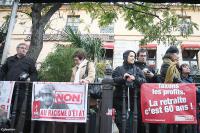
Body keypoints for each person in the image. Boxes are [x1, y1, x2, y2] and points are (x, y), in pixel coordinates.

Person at [112, 50, 146, 133]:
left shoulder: (137, 69)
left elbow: (144, 82)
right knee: (121, 125)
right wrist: (123, 78)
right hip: (120, 102)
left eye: (134, 56)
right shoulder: (118, 69)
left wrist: (135, 78)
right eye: (131, 56)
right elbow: (113, 80)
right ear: (125, 57)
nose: (133, 58)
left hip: (133, 103)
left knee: (130, 127)